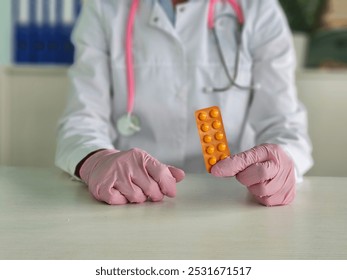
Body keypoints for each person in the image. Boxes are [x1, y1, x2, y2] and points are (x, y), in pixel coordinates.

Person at [55, 0, 313, 207]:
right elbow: (83, 117)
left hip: (229, 200)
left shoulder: (258, 8)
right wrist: (96, 160)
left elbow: (283, 122)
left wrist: (283, 161)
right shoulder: (104, 7)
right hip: (131, 196)